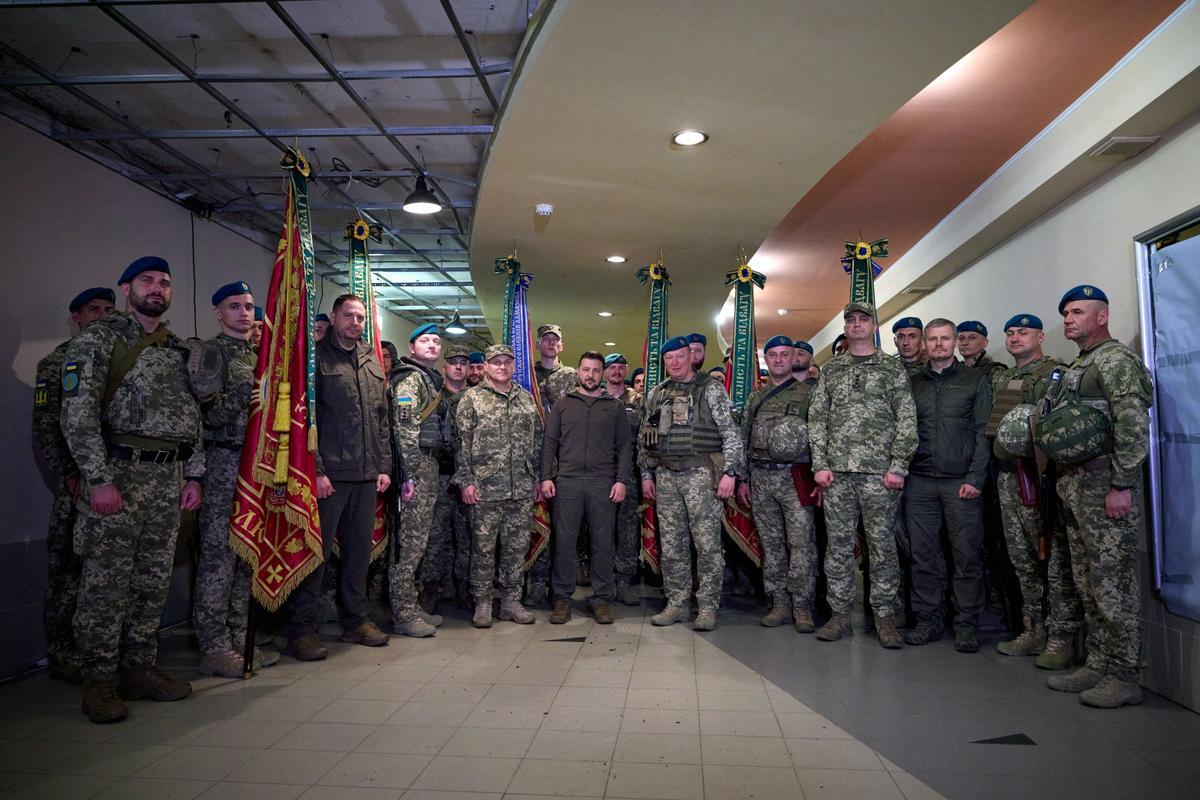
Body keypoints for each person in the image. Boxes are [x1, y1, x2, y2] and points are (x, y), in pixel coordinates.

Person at [62, 257, 203, 723]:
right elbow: (77, 416)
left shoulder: (176, 348)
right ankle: (98, 681)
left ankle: (140, 667)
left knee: (152, 582)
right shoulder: (99, 339)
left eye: (165, 282)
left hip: (167, 479)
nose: (157, 289)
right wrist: (98, 479)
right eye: (147, 281)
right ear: (127, 288)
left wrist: (195, 475)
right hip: (118, 476)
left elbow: (192, 417)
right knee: (105, 585)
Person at [1043, 285, 1152, 708]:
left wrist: (1121, 485)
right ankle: (1098, 662)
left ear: (1102, 317)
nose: (1069, 319)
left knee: (1113, 583)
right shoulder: (1081, 364)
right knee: (1087, 581)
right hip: (1076, 486)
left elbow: (1131, 427)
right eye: (1066, 313)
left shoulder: (1117, 362)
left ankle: (1124, 674)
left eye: (1078, 312)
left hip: (1105, 484)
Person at [284, 294, 392, 661]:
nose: (355, 323)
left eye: (361, 318)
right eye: (349, 315)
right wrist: (316, 471)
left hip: (365, 474)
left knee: (359, 556)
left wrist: (384, 467)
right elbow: (304, 419)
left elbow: (381, 419)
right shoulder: (315, 358)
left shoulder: (371, 360)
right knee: (316, 555)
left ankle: (355, 620)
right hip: (328, 476)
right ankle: (301, 629)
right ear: (333, 317)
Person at [808, 303, 916, 649]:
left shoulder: (891, 369)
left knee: (882, 547)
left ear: (873, 326)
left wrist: (898, 467)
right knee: (837, 546)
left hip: (878, 475)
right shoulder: (832, 369)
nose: (856, 325)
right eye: (850, 320)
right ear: (846, 326)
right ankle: (839, 614)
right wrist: (820, 465)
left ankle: (884, 616)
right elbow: (817, 421)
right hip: (837, 474)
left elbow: (907, 420)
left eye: (862, 320)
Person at [194, 281, 279, 677]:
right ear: (218, 312)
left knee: (248, 556)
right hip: (225, 464)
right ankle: (213, 645)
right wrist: (248, 387)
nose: (245, 313)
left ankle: (240, 637)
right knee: (219, 558)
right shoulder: (211, 353)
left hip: (256, 467)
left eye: (249, 306)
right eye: (235, 306)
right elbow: (208, 417)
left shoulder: (260, 353)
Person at [988, 314, 1082, 668]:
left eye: (1023, 332)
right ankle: (1033, 628)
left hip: (1040, 477)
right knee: (1022, 561)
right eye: (1010, 333)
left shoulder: (1056, 375)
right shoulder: (1003, 378)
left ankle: (1061, 637)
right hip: (1008, 477)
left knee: (1053, 560)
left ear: (1040, 336)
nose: (1015, 338)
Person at [33, 286, 116, 684]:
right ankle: (63, 651)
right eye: (93, 310)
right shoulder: (56, 363)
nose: (101, 316)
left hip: (113, 482)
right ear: (76, 317)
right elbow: (49, 428)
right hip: (77, 485)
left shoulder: (120, 362)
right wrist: (71, 476)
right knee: (67, 568)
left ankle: (101, 651)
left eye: (108, 309)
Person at [639, 336, 745, 631]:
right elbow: (644, 439)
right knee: (672, 544)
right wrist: (647, 475)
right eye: (668, 358)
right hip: (666, 476)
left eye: (680, 356)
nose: (674, 363)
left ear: (691, 356)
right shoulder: (657, 393)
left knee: (707, 544)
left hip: (701, 476)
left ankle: (707, 606)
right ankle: (676, 603)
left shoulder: (710, 389)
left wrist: (730, 473)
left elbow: (731, 434)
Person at [904, 318, 993, 652]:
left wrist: (976, 479)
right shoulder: (913, 384)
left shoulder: (975, 380)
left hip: (961, 483)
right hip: (920, 482)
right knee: (923, 556)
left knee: (966, 555)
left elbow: (985, 432)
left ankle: (967, 624)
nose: (938, 344)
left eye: (945, 338)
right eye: (932, 339)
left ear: (955, 342)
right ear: (924, 345)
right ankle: (927, 620)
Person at [541, 352, 633, 624]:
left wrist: (621, 480)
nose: (590, 375)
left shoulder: (613, 406)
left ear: (602, 374)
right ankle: (561, 598)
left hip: (602, 483)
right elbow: (550, 443)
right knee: (564, 543)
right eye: (585, 369)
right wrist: (546, 476)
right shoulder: (563, 404)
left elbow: (625, 446)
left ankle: (602, 598)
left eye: (595, 370)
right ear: (578, 372)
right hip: (567, 482)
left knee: (602, 543)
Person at [456, 344, 544, 628]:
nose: (502, 367)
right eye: (496, 362)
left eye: (507, 362)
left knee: (516, 549)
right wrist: (466, 482)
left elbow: (537, 442)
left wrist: (536, 478)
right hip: (484, 489)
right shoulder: (472, 398)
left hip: (520, 488)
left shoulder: (526, 399)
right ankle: (482, 602)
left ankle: (510, 601)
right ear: (487, 366)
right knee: (482, 549)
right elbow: (461, 445)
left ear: (513, 365)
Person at [737, 336, 818, 632]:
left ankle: (802, 605)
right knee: (772, 545)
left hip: (794, 477)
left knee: (801, 543)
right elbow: (743, 438)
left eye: (785, 354)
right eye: (773, 355)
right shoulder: (756, 397)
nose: (780, 360)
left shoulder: (809, 394)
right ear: (766, 360)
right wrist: (743, 479)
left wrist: (819, 474)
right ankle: (779, 602)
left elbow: (820, 437)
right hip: (760, 477)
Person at [388, 323, 454, 638]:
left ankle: (411, 607)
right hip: (415, 467)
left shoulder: (428, 379)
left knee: (419, 542)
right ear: (412, 348)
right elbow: (405, 426)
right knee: (409, 544)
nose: (431, 345)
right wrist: (409, 473)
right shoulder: (410, 380)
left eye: (436, 341)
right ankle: (403, 613)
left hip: (428, 465)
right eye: (424, 340)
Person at [417, 342, 473, 612]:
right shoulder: (433, 395)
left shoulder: (476, 398)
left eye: (463, 362)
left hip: (469, 478)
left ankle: (464, 587)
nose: (459, 366)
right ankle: (430, 587)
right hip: (438, 475)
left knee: (467, 535)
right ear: (445, 367)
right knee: (435, 535)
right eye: (454, 362)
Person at [527, 323, 579, 604]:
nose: (550, 343)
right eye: (545, 339)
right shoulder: (526, 375)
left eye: (555, 340)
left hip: (566, 462)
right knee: (536, 523)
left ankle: (560, 587)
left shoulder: (572, 377)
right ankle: (536, 582)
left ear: (561, 345)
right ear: (537, 344)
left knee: (564, 528)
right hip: (533, 461)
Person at [604, 353, 644, 605]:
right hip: (600, 473)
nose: (617, 371)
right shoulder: (596, 399)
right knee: (601, 528)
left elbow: (646, 438)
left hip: (629, 474)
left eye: (621, 367)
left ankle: (624, 581)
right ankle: (604, 580)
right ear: (605, 371)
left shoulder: (638, 400)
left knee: (629, 529)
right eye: (612, 367)